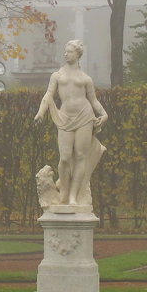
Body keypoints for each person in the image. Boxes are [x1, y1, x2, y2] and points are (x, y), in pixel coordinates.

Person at [33, 39, 108, 209]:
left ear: (78, 54)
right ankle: (64, 193)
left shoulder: (86, 78)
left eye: (69, 51)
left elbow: (93, 100)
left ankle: (73, 196)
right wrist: (41, 112)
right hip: (64, 117)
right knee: (65, 157)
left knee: (81, 156)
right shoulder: (57, 75)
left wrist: (104, 114)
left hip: (85, 116)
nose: (65, 54)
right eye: (65, 51)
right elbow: (48, 95)